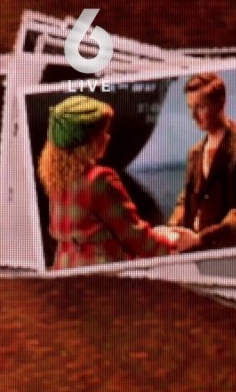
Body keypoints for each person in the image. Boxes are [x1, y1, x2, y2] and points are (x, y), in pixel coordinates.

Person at [38, 95, 194, 270]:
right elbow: (135, 237)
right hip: (105, 277)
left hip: (65, 269)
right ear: (88, 141)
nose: (108, 137)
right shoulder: (99, 179)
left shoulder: (57, 182)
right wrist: (173, 245)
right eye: (102, 132)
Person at [167, 72, 236, 251]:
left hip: (231, 253)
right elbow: (186, 201)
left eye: (200, 107)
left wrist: (201, 239)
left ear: (220, 102)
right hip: (195, 250)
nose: (193, 116)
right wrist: (170, 231)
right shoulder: (195, 153)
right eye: (190, 107)